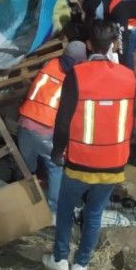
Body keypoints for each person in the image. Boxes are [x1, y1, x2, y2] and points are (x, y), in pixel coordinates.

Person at [42, 21, 136, 270]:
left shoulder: (77, 75)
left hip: (80, 163)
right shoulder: (129, 76)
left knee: (65, 208)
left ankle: (60, 259)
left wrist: (57, 151)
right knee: (94, 213)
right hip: (114, 164)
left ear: (88, 45)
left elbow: (63, 121)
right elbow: (135, 118)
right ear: (113, 45)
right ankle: (81, 266)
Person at [18, 41, 88, 218]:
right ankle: (53, 212)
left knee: (26, 164)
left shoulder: (50, 63)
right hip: (45, 127)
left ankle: (25, 200)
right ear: (81, 60)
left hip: (25, 121)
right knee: (56, 166)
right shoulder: (75, 77)